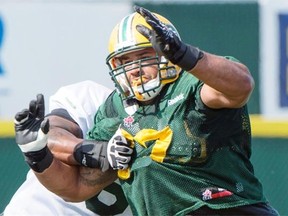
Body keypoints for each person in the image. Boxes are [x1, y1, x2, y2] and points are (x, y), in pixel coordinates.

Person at [13, 5, 279, 215]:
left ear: (167, 53)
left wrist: (188, 56)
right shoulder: (115, 111)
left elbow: (240, 85)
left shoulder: (189, 85)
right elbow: (77, 187)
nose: (135, 70)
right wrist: (37, 156)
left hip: (229, 210)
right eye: (125, 61)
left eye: (143, 56)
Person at [4, 80, 132, 215]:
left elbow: (75, 190)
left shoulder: (153, 143)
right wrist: (100, 152)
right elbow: (52, 135)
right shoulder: (96, 97)